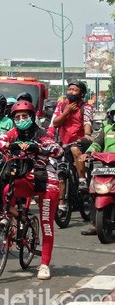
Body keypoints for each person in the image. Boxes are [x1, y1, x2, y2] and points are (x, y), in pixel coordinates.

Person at [0, 100, 62, 280]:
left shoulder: (42, 134)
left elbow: (55, 147)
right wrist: (4, 145)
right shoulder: (13, 133)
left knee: (46, 224)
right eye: (17, 117)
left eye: (25, 116)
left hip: (45, 181)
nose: (21, 119)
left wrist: (39, 147)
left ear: (32, 117)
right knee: (3, 192)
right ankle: (12, 224)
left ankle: (44, 264)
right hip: (23, 177)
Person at [51, 79, 93, 211]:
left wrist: (87, 134)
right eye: (70, 89)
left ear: (81, 93)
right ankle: (62, 204)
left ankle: (82, 179)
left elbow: (87, 122)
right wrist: (67, 111)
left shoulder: (86, 107)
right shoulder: (61, 105)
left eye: (75, 90)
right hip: (62, 144)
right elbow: (55, 123)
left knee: (75, 149)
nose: (71, 92)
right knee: (61, 174)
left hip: (79, 143)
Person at [80, 102, 115, 236]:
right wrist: (88, 154)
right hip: (107, 166)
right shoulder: (106, 129)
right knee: (94, 191)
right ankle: (95, 224)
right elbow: (96, 144)